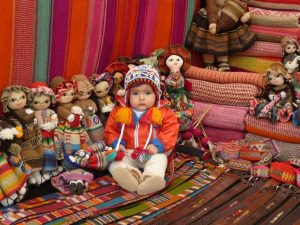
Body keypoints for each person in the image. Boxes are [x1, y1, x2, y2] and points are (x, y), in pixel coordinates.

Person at [104, 65, 179, 195]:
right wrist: (118, 143)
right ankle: (131, 176)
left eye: (147, 93)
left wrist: (159, 145)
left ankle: (152, 179)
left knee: (160, 161)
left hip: (152, 152)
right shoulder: (119, 111)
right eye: (135, 93)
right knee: (114, 162)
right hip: (129, 151)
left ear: (157, 94)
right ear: (127, 95)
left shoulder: (164, 113)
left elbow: (170, 131)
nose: (142, 98)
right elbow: (111, 130)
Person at [186, 0, 256, 71]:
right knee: (207, 43)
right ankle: (209, 63)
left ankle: (223, 62)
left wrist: (245, 15)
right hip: (209, 17)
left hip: (228, 14)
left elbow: (240, 4)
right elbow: (211, 7)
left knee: (224, 43)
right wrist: (212, 22)